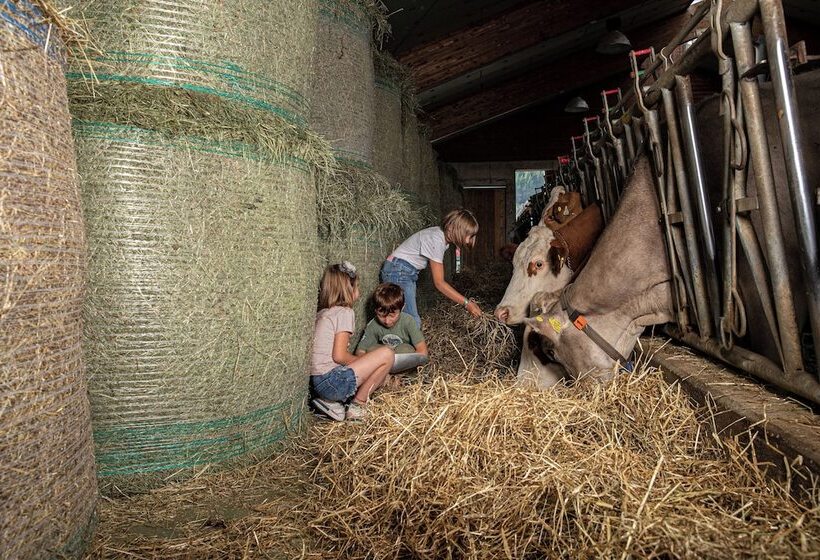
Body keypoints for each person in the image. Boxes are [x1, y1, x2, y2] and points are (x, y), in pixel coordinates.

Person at [309, 261, 394, 421]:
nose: (359, 291)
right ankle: (357, 405)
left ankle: (330, 402)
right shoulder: (344, 312)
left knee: (376, 362)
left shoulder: (324, 313)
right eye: (357, 287)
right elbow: (339, 356)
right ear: (349, 289)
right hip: (332, 381)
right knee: (387, 354)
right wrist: (367, 363)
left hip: (319, 383)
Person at [381, 208, 482, 327]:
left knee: (405, 319)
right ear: (451, 227)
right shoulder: (436, 240)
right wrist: (467, 303)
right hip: (398, 271)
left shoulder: (441, 238)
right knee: (412, 322)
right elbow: (439, 283)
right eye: (467, 235)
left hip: (404, 271)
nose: (467, 240)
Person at [355, 283, 428, 356]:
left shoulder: (408, 321)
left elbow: (422, 351)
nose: (387, 321)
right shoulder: (373, 325)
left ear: (402, 308)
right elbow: (360, 351)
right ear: (375, 310)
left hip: (404, 360)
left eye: (392, 316)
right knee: (372, 349)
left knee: (404, 349)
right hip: (383, 362)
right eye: (381, 316)